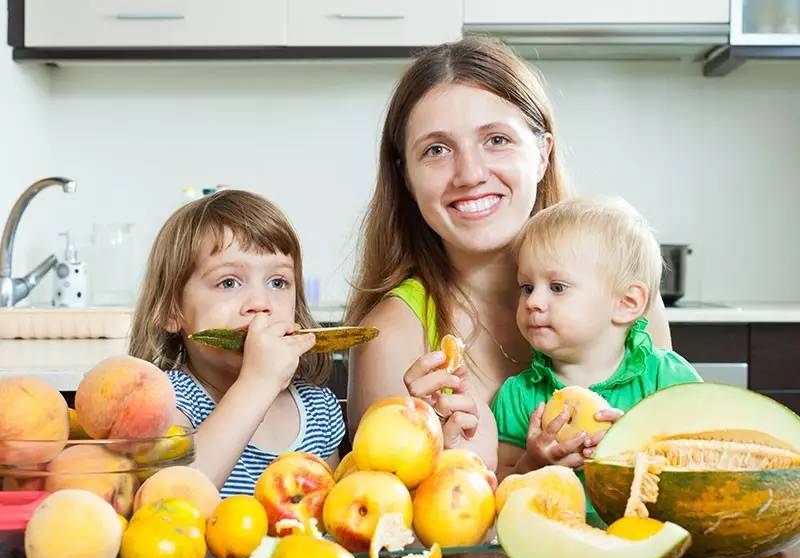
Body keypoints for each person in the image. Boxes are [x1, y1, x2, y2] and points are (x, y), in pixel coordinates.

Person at [345, 37, 672, 471]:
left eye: (496, 139)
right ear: (406, 177)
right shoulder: (391, 338)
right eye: (436, 150)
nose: (470, 174)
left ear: (542, 155)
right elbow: (392, 517)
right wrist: (432, 456)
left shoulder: (622, 295)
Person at [129, 190, 345, 495]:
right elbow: (171, 500)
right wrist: (258, 383)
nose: (260, 303)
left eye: (278, 282)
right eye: (228, 282)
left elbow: (331, 523)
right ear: (170, 310)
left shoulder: (318, 410)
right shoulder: (167, 402)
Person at [494, 197, 702, 481]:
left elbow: (705, 462)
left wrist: (636, 447)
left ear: (626, 303)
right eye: (527, 287)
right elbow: (502, 483)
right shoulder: (517, 395)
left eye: (557, 287)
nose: (534, 302)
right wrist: (532, 464)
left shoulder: (666, 378)